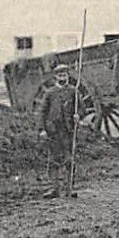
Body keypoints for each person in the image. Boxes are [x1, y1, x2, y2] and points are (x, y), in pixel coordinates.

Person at [38, 62, 81, 197]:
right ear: (55, 77)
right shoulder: (50, 93)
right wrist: (42, 129)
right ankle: (54, 189)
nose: (62, 77)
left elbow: (82, 108)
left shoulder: (73, 91)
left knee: (69, 159)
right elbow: (42, 113)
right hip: (53, 131)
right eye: (59, 75)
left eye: (65, 74)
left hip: (68, 130)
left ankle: (69, 188)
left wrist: (78, 115)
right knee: (54, 159)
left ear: (68, 76)